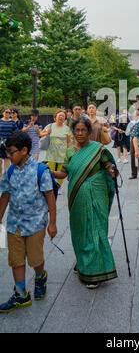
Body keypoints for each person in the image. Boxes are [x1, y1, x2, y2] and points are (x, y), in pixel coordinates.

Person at [52, 118, 117, 289]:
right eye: (77, 130)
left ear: (89, 132)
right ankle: (83, 261)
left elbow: (108, 165)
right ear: (72, 132)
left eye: (83, 130)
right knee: (80, 229)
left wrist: (111, 170)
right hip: (76, 196)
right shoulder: (69, 152)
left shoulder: (97, 149)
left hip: (96, 193)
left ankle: (95, 272)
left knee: (95, 228)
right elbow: (63, 173)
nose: (80, 133)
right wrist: (49, 171)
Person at [0, 131, 57, 313]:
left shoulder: (41, 171)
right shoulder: (9, 171)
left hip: (36, 224)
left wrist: (52, 224)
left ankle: (40, 276)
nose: (8, 155)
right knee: (16, 259)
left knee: (35, 259)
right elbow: (5, 196)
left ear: (24, 150)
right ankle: (21, 294)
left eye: (11, 152)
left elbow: (50, 198)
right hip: (14, 223)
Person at [40, 110, 72, 185]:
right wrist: (47, 132)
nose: (61, 117)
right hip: (51, 153)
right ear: (55, 117)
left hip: (62, 154)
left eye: (63, 116)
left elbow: (69, 142)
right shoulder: (50, 126)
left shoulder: (67, 129)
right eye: (59, 115)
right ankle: (51, 184)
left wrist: (70, 152)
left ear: (65, 118)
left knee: (61, 171)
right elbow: (41, 134)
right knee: (51, 170)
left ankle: (59, 186)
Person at [0, 108, 17, 176]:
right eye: (6, 112)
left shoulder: (12, 122)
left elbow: (15, 132)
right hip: (0, 144)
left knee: (7, 162)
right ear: (3, 113)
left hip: (8, 144)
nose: (8, 114)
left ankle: (6, 178)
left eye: (9, 113)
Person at [126, 109, 139, 180]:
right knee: (132, 156)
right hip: (132, 140)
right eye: (135, 115)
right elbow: (126, 133)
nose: (136, 117)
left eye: (137, 115)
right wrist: (130, 130)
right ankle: (133, 173)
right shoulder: (131, 123)